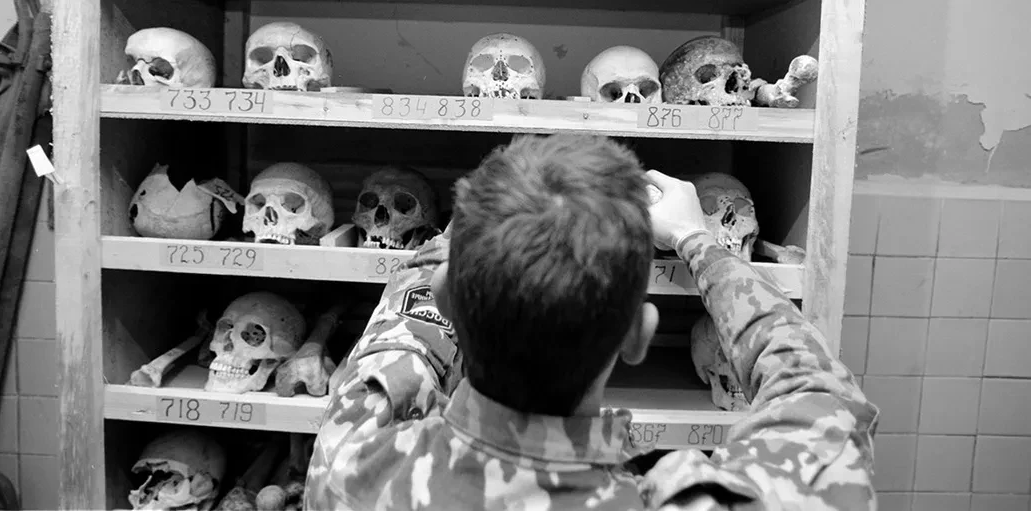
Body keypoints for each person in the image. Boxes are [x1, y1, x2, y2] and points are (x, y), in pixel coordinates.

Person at [304, 133, 879, 510]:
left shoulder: (352, 464)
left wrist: (473, 234)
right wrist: (697, 240)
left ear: (446, 298)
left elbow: (400, 343)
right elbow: (818, 393)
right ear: (638, 336)